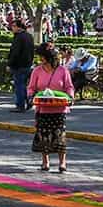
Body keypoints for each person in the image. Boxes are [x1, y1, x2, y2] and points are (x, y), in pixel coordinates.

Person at [28, 43, 75, 172]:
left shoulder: (62, 71)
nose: (41, 60)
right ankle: (45, 162)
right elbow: (31, 88)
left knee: (59, 136)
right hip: (42, 108)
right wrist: (31, 96)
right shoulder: (37, 71)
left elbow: (69, 87)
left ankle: (62, 162)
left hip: (59, 109)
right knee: (43, 136)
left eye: (43, 57)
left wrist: (70, 97)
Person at [7, 19, 35, 112]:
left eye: (14, 26)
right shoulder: (29, 36)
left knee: (19, 85)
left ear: (19, 27)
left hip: (19, 66)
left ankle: (20, 105)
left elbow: (15, 52)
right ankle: (28, 101)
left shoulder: (19, 37)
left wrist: (10, 64)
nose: (12, 28)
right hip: (27, 64)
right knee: (23, 85)